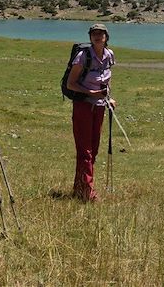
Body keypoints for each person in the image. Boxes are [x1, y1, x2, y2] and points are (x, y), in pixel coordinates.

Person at [66, 23, 116, 202]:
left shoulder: (109, 55)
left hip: (100, 106)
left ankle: (80, 188)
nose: (97, 37)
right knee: (85, 150)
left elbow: (107, 78)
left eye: (101, 34)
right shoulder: (83, 56)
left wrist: (108, 97)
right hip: (83, 106)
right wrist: (90, 93)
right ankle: (88, 192)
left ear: (106, 37)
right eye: (94, 34)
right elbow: (70, 84)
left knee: (93, 150)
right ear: (90, 37)